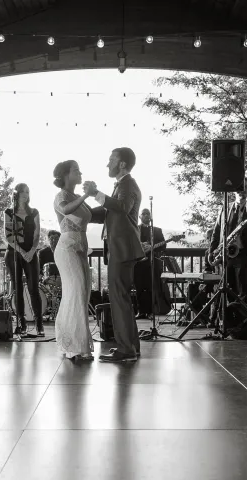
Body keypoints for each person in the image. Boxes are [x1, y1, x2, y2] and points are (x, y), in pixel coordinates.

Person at [84, 147, 146, 363]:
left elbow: (120, 207)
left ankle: (126, 350)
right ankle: (131, 347)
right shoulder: (122, 184)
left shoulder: (128, 184)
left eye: (111, 159)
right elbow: (109, 212)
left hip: (123, 249)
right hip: (121, 249)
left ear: (122, 164)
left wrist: (95, 193)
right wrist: (82, 211)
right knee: (122, 299)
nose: (107, 163)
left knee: (119, 299)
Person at [52, 161, 95, 361]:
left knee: (83, 293)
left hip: (81, 248)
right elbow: (67, 210)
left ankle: (76, 343)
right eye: (76, 170)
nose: (80, 173)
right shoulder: (61, 196)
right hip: (67, 249)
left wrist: (93, 195)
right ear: (66, 175)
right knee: (76, 291)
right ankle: (73, 347)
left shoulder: (78, 197)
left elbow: (91, 215)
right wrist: (87, 195)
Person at [208, 190, 247, 304]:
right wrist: (212, 251)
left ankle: (246, 319)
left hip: (244, 253)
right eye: (241, 188)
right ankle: (231, 317)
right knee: (229, 287)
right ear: (235, 191)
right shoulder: (225, 208)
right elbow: (216, 232)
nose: (244, 191)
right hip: (227, 253)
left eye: (246, 188)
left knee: (244, 288)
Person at [4, 183, 44, 336]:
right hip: (14, 254)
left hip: (31, 253)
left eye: (28, 192)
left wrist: (32, 251)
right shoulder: (9, 212)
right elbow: (8, 236)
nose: (26, 195)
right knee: (17, 289)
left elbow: (37, 235)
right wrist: (21, 252)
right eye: (23, 192)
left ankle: (39, 324)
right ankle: (22, 324)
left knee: (34, 288)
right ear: (16, 194)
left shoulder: (34, 212)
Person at [134, 207, 166, 318]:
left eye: (148, 214)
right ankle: (140, 311)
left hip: (151, 262)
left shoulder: (156, 230)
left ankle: (150, 312)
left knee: (150, 287)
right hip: (137, 262)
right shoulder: (135, 229)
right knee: (139, 287)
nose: (146, 215)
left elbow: (163, 246)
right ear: (140, 216)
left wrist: (152, 247)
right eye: (144, 214)